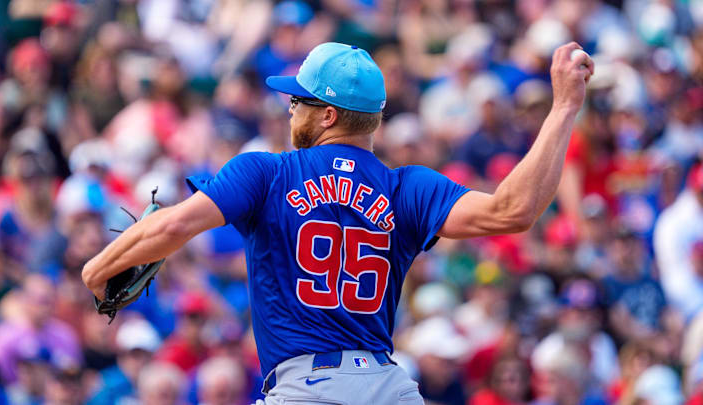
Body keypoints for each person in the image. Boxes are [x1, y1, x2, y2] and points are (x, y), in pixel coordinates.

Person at [82, 41, 593, 404]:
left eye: (299, 101)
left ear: (327, 115)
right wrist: (565, 106)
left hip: (306, 388)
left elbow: (171, 227)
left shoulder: (266, 171)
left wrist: (97, 268)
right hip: (386, 386)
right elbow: (514, 210)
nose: (289, 110)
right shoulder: (406, 187)